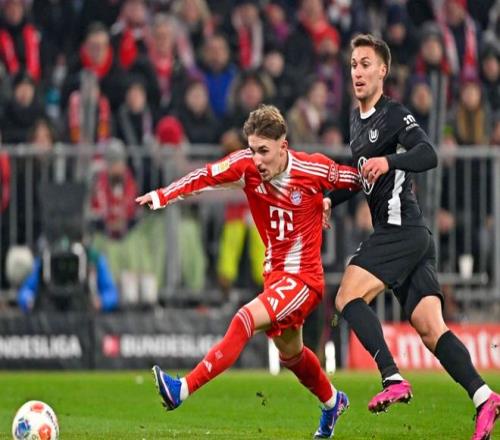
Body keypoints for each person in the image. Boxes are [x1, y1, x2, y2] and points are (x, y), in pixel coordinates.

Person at [136, 104, 360, 438]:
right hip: (275, 277)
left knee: (244, 318)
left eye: (264, 151)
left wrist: (330, 200)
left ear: (283, 146)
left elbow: (355, 179)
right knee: (292, 355)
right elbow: (205, 175)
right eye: (252, 149)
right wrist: (163, 195)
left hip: (303, 280)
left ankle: (181, 389)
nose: (257, 159)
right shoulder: (246, 167)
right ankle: (332, 402)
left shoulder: (312, 167)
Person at [325, 33, 499, 440]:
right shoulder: (356, 121)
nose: (357, 72)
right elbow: (361, 175)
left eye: (365, 64)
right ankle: (484, 397)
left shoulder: (393, 114)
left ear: (383, 71)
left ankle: (391, 377)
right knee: (430, 328)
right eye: (353, 65)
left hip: (400, 230)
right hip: (413, 235)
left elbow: (428, 154)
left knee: (346, 297)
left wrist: (390, 161)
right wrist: (331, 198)